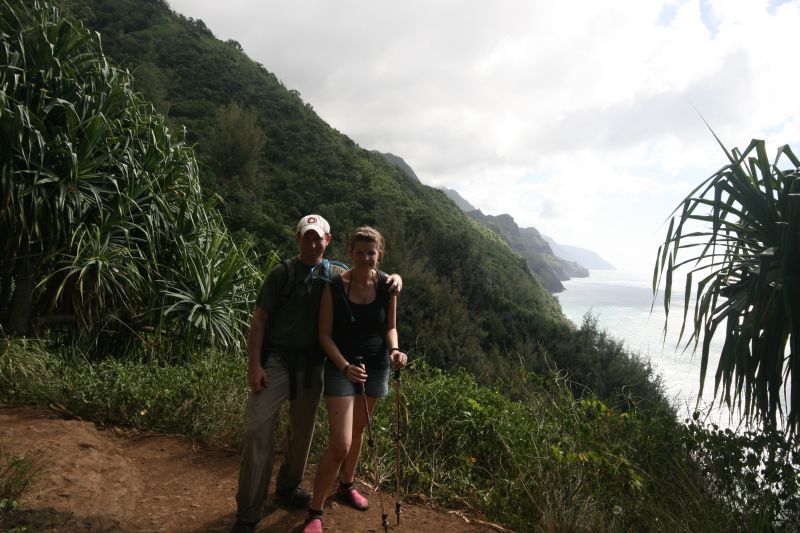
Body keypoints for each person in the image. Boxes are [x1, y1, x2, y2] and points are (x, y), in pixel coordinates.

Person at [231, 215, 401, 533]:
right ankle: (249, 513)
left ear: (328, 240)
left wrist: (396, 278)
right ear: (298, 239)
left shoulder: (333, 272)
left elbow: (370, 274)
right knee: (258, 432)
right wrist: (254, 365)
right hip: (279, 360)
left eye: (317, 238)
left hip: (312, 364)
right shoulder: (283, 274)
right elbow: (259, 320)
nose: (312, 243)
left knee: (302, 434)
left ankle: (289, 487)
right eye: (306, 237)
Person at [303, 226, 408, 533]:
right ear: (350, 253)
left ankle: (346, 484)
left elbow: (390, 327)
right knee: (340, 443)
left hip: (376, 366)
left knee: (360, 430)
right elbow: (324, 335)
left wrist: (395, 350)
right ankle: (314, 512)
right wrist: (346, 366)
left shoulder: (387, 286)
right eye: (359, 253)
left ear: (380, 254)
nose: (365, 258)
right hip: (341, 367)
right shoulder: (335, 286)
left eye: (370, 253)